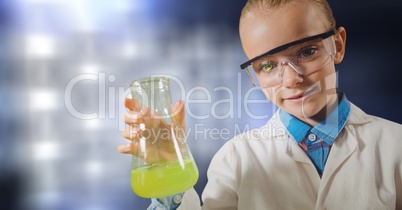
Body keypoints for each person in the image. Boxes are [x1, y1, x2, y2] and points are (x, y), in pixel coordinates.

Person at [119, 0, 402, 209]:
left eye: (307, 51)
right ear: (254, 73)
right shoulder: (236, 159)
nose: (292, 78)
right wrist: (171, 170)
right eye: (268, 65)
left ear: (337, 45)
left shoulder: (395, 147)